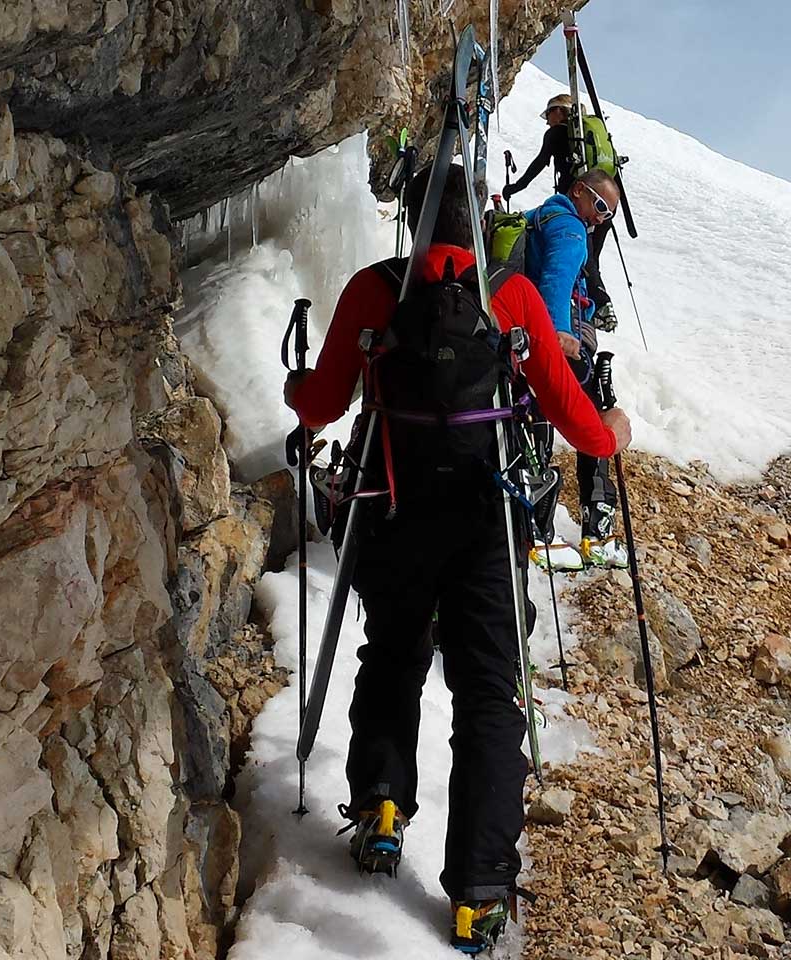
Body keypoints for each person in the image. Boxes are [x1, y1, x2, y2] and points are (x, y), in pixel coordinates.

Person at [284, 163, 631, 953]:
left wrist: (297, 388)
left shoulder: (375, 290)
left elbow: (325, 402)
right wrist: (614, 432)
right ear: (481, 221)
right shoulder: (508, 296)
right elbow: (568, 411)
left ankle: (378, 804)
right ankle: (477, 890)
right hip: (484, 523)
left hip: (394, 512)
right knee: (487, 693)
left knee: (394, 653)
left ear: (411, 219)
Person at [519, 168, 629, 569]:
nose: (601, 217)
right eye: (600, 205)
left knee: (532, 419)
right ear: (578, 191)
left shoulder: (539, 217)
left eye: (610, 214)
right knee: (594, 419)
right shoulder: (569, 226)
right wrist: (560, 334)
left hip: (527, 338)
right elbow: (558, 278)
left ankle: (535, 525)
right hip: (561, 343)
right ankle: (596, 532)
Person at [505, 94, 619, 333]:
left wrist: (515, 187)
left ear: (559, 111)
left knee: (575, 260)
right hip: (603, 209)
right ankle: (596, 307)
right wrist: (604, 212)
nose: (547, 121)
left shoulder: (557, 134)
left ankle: (579, 315)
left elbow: (540, 163)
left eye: (549, 114)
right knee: (587, 260)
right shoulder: (589, 142)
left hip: (580, 206)